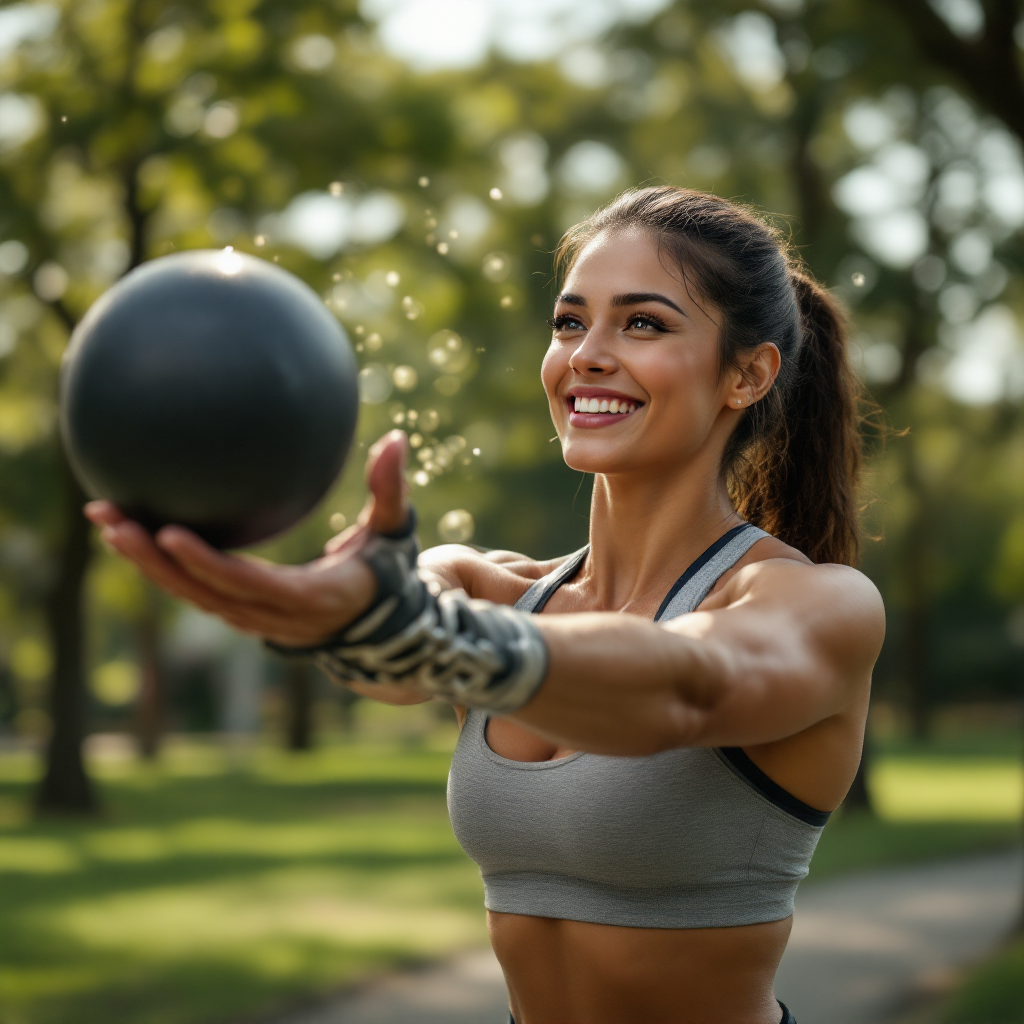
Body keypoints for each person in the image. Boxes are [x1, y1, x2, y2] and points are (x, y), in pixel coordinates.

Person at [87, 185, 885, 1024]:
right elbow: (388, 662)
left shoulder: (818, 605)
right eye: (571, 322)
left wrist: (425, 632)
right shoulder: (489, 587)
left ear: (747, 374)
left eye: (642, 323)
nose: (586, 355)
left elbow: (685, 687)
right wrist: (334, 609)